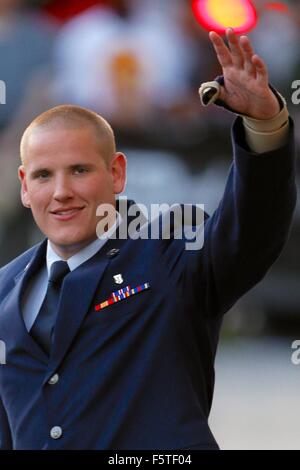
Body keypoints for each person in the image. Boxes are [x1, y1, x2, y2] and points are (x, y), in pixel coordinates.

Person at [0, 29, 296, 450]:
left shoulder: (173, 250)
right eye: (44, 176)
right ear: (24, 187)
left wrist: (265, 125)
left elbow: (252, 231)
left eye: (80, 170)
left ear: (117, 172)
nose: (61, 191)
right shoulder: (4, 291)